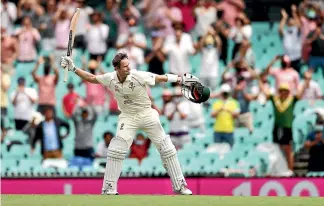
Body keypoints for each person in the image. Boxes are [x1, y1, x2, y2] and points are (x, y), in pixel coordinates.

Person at [60, 52, 192, 195]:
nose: (128, 68)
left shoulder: (137, 75)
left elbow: (160, 78)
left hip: (146, 113)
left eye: (128, 65)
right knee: (116, 149)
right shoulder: (110, 78)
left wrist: (179, 79)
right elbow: (92, 78)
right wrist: (73, 68)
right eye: (124, 66)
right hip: (128, 117)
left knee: (167, 148)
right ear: (116, 68)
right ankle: (109, 188)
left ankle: (180, 186)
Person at [260, 83, 304, 171]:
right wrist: (260, 81)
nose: (283, 93)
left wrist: (306, 80)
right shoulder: (275, 99)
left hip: (287, 127)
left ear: (288, 92)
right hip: (277, 127)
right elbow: (265, 92)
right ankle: (279, 169)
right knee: (277, 149)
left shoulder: (291, 100)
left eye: (285, 91)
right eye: (281, 91)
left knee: (288, 149)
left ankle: (290, 170)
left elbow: (300, 93)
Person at [279, 6, 302, 74]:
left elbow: (299, 25)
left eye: (292, 19)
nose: (291, 20)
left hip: (296, 57)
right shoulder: (285, 32)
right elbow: (280, 29)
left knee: (296, 75)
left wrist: (294, 12)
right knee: (285, 75)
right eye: (290, 20)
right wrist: (284, 18)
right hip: (287, 58)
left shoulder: (297, 31)